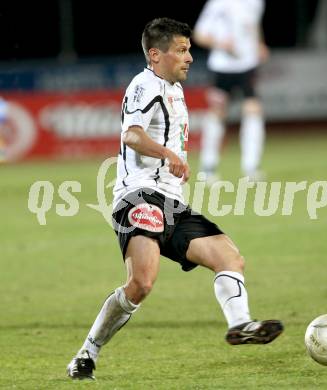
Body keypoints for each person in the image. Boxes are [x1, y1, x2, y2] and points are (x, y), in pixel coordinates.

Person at [66, 17, 283, 380]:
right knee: (142, 284)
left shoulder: (173, 88)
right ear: (155, 54)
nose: (190, 57)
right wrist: (168, 155)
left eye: (189, 49)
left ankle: (241, 324)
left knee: (229, 257)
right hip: (138, 197)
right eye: (182, 50)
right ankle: (87, 352)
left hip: (171, 201)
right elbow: (132, 135)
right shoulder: (144, 85)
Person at [193, 0, 269, 183]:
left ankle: (251, 167)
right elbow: (199, 35)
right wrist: (220, 43)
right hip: (223, 66)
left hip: (247, 64)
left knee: (253, 109)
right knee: (218, 112)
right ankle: (207, 168)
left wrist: (259, 44)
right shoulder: (218, 4)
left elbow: (254, 24)